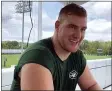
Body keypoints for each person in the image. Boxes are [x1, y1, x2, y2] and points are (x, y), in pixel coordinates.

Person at [11, 3, 103, 91]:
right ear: (57, 26)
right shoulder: (38, 57)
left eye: (83, 29)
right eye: (72, 27)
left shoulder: (77, 56)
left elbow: (90, 86)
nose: (78, 36)